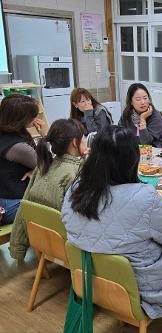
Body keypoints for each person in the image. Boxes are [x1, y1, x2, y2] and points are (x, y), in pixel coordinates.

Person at [62, 125, 162, 320]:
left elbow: (69, 224)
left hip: (91, 281)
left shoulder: (76, 187)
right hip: (141, 289)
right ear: (132, 158)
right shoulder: (143, 196)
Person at [9, 119, 87, 260]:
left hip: (43, 243)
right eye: (84, 138)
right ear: (75, 142)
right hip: (69, 248)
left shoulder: (42, 166)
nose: (86, 141)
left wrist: (17, 247)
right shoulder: (75, 173)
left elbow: (24, 207)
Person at [0, 94, 47, 225]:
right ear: (21, 118)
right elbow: (49, 165)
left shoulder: (6, 134)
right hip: (12, 205)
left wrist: (35, 170)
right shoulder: (18, 147)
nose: (36, 119)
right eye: (33, 116)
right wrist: (45, 136)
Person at [118, 83, 162, 148]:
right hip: (132, 151)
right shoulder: (127, 114)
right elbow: (119, 135)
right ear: (131, 102)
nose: (143, 102)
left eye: (145, 98)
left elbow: (146, 142)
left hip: (153, 152)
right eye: (138, 99)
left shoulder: (155, 116)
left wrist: (142, 119)